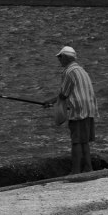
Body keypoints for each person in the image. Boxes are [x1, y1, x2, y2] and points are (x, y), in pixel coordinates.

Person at [44, 45, 98, 174]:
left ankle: (75, 171)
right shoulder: (81, 70)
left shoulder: (69, 72)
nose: (59, 60)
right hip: (90, 108)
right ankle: (88, 168)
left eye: (60, 57)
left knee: (76, 141)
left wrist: (50, 102)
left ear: (65, 58)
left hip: (79, 110)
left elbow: (64, 94)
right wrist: (54, 101)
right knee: (84, 141)